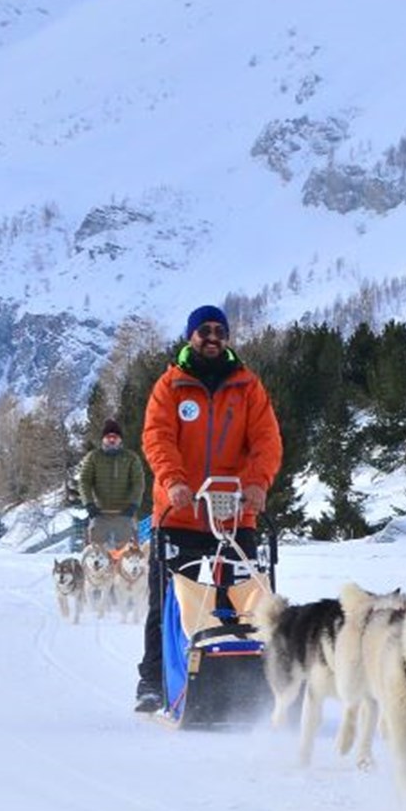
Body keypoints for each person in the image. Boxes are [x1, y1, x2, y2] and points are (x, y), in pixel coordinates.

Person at [133, 304, 284, 712]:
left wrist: (257, 483)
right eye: (205, 331)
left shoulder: (247, 386)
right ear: (191, 337)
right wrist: (174, 481)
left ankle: (244, 683)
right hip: (180, 513)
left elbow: (266, 440)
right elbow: (157, 437)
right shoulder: (171, 385)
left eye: (219, 330)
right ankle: (154, 681)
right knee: (166, 602)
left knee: (242, 601)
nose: (213, 338)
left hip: (234, 514)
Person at [77, 417, 147, 548]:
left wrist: (133, 505)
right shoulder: (93, 457)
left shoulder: (131, 458)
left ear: (120, 439)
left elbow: (138, 483)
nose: (112, 440)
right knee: (97, 549)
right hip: (99, 512)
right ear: (103, 439)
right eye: (108, 437)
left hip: (125, 513)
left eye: (115, 437)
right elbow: (84, 482)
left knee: (126, 550)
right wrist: (89, 504)